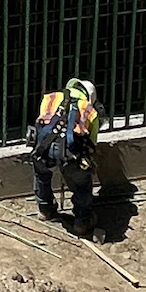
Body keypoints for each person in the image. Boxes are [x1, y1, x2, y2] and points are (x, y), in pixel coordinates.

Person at [28, 78, 100, 230]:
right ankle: (82, 221)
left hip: (43, 148)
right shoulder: (90, 110)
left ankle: (45, 210)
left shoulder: (50, 98)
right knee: (82, 184)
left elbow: (42, 120)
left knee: (41, 175)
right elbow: (92, 143)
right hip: (71, 152)